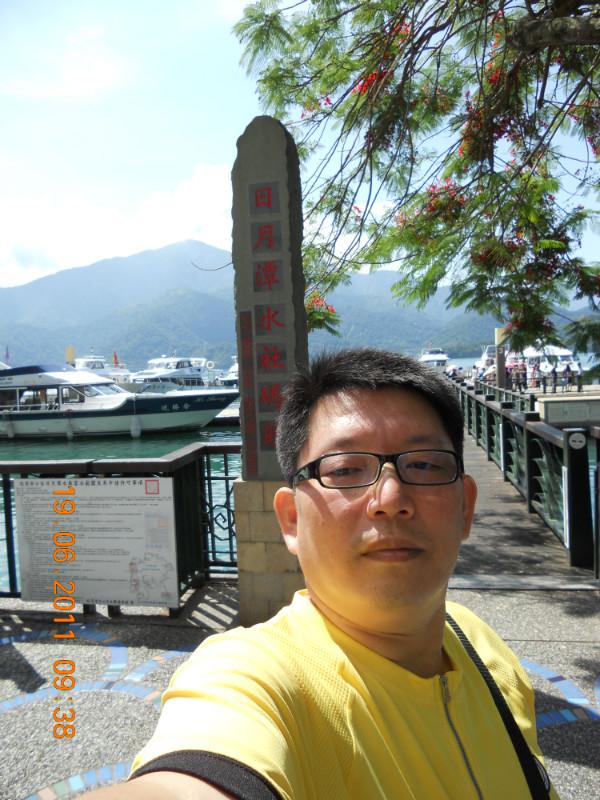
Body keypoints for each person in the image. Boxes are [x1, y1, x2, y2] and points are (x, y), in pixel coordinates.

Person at [84, 348, 557, 800]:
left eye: (424, 464)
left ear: (466, 507)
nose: (390, 498)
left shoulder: (481, 645)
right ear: (291, 520)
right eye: (346, 470)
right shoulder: (257, 680)